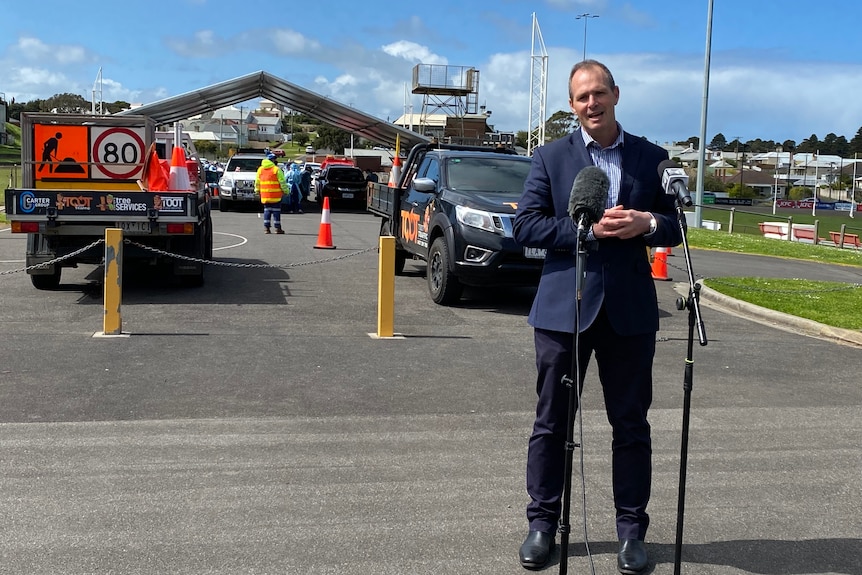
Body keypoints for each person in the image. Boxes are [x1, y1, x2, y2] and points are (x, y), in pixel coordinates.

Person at [513, 59, 682, 574]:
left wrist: (646, 221)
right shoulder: (550, 157)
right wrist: (586, 234)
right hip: (564, 310)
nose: (592, 103)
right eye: (582, 97)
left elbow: (676, 224)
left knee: (630, 426)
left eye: (599, 94)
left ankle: (632, 532)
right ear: (572, 104)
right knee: (550, 423)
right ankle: (542, 524)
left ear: (616, 94)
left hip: (629, 314)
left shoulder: (652, 157)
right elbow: (526, 226)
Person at [255, 152, 288, 234]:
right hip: (276, 196)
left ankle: (266, 228)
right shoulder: (276, 169)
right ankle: (277, 228)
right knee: (276, 212)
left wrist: (257, 190)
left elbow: (257, 182)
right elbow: (282, 182)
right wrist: (286, 191)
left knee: (267, 211)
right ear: (272, 160)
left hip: (265, 195)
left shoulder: (260, 170)